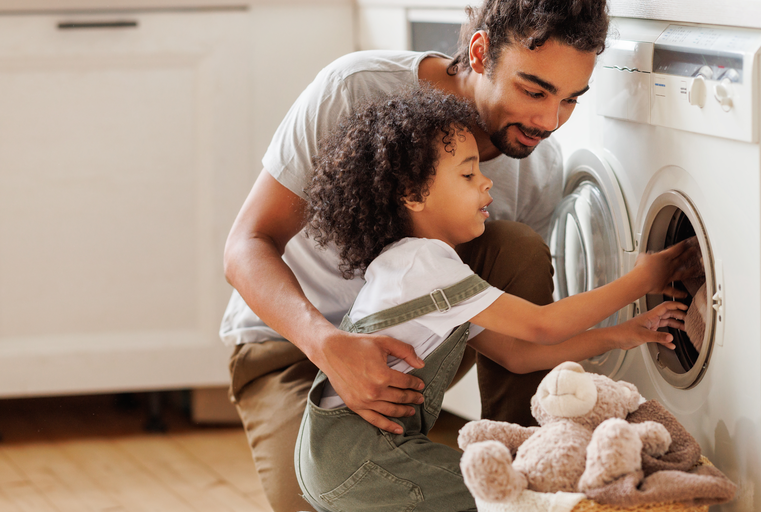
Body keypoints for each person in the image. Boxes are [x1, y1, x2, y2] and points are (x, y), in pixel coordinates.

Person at [221, 1, 662, 510]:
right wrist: (329, 345)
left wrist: (621, 332)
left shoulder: (536, 170)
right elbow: (245, 246)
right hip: (289, 347)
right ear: (480, 52)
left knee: (515, 246)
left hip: (415, 356)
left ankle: (527, 464)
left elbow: (519, 340)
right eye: (533, 90)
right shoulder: (356, 89)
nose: (549, 120)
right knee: (334, 493)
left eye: (570, 100)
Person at [296, 85, 693, 512]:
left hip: (337, 456)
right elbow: (543, 324)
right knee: (513, 496)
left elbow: (517, 356)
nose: (486, 181)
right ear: (413, 195)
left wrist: (622, 334)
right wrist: (643, 277)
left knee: (504, 492)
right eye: (467, 175)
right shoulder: (423, 264)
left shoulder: (418, 268)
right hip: (361, 458)